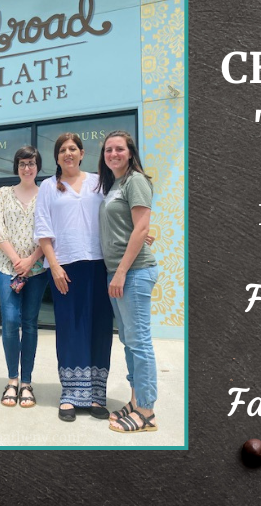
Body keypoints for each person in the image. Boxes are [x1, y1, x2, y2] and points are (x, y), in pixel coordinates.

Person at [34, 133, 114, 422]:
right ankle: (69, 394)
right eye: (62, 150)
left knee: (100, 327)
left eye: (72, 149)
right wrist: (53, 266)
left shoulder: (98, 182)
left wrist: (137, 234)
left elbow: (117, 214)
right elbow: (43, 229)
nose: (68, 153)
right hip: (65, 266)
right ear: (57, 157)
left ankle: (95, 396)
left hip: (100, 264)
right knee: (70, 327)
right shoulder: (48, 187)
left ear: (82, 153)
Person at [97, 130, 160, 433]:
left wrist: (121, 271)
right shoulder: (116, 185)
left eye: (119, 149)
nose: (113, 154)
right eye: (108, 150)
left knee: (140, 343)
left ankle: (146, 411)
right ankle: (136, 401)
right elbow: (130, 227)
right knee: (129, 342)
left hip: (133, 273)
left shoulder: (136, 180)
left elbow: (142, 227)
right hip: (119, 272)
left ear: (130, 152)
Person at [0, 145, 47, 408]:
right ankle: (12, 380)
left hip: (37, 269)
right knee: (11, 322)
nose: (27, 168)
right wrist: (16, 261)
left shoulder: (45, 193)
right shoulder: (3, 194)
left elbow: (50, 231)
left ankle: (26, 383)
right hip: (7, 267)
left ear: (38, 167)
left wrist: (31, 260)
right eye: (23, 163)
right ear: (17, 167)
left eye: (32, 163)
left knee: (31, 323)